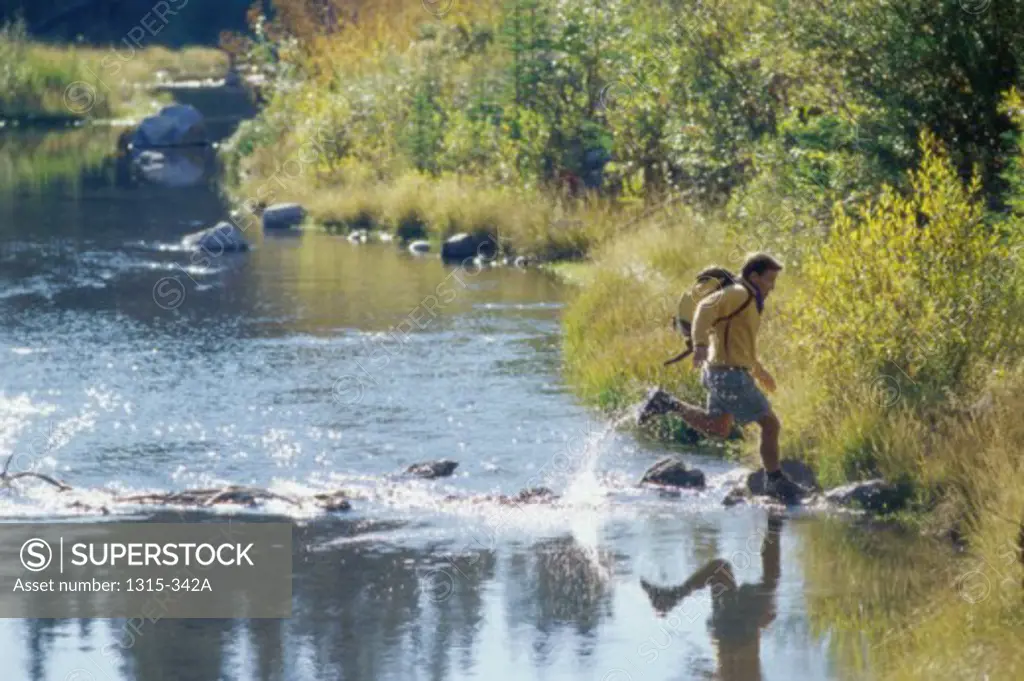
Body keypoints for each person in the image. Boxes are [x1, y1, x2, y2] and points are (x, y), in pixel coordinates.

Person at [636, 252, 806, 502]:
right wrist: (701, 344)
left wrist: (759, 372)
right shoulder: (739, 293)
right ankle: (774, 481)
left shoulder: (748, 299)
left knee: (718, 427)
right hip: (729, 375)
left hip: (719, 372)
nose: (773, 287)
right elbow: (705, 308)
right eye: (770, 280)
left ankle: (667, 402)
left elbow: (740, 344)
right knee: (770, 425)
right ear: (754, 276)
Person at [640, 514, 784, 681]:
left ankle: (774, 523)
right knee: (721, 571)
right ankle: (671, 598)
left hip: (739, 633)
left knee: (767, 581)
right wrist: (704, 672)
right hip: (728, 631)